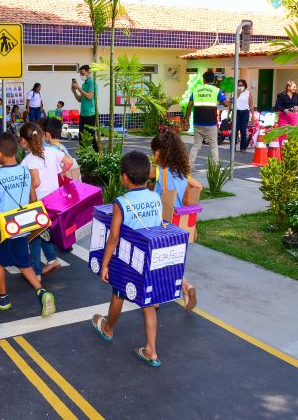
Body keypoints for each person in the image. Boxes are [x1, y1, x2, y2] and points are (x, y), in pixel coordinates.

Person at [91, 150, 163, 367]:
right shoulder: (155, 196)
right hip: (149, 258)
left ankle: (108, 328)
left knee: (118, 295)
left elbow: (113, 237)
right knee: (147, 305)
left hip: (128, 261)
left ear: (125, 177)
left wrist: (104, 264)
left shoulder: (121, 202)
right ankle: (151, 350)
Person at [0, 132, 56, 317]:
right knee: (24, 264)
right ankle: (42, 292)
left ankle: (3, 298)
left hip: (5, 229)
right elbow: (33, 199)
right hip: (21, 226)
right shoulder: (24, 171)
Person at [149, 131, 201, 311]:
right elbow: (198, 186)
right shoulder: (182, 173)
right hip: (179, 224)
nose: (153, 156)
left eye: (154, 152)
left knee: (156, 259)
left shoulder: (159, 171)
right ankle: (187, 289)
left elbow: (140, 177)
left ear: (161, 152)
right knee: (172, 259)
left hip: (162, 223)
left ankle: (155, 298)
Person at [19, 123, 71, 279]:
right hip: (54, 200)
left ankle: (36, 272)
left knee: (34, 236)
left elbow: (36, 183)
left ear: (23, 141)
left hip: (38, 202)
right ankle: (52, 259)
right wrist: (62, 172)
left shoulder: (29, 160)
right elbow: (68, 162)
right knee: (43, 232)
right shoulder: (52, 151)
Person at [184, 71, 228, 167]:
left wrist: (186, 120)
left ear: (203, 80)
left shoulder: (196, 90)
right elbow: (226, 104)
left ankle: (189, 166)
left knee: (196, 145)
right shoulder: (216, 90)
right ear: (213, 80)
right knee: (213, 145)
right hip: (210, 123)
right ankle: (215, 167)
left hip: (198, 123)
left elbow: (189, 105)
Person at [71, 65, 97, 151]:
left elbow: (89, 97)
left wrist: (78, 88)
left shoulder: (92, 83)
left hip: (90, 114)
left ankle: (98, 155)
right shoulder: (84, 84)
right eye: (80, 74)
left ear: (88, 72)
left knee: (91, 137)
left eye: (83, 73)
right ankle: (83, 156)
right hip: (82, 114)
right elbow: (79, 99)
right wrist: (74, 91)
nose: (81, 76)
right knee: (81, 137)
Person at [235, 79, 252, 152]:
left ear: (245, 86)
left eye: (242, 85)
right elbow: (232, 103)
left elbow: (251, 105)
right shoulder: (235, 92)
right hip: (237, 112)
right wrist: (238, 94)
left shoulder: (248, 93)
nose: (240, 87)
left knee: (243, 130)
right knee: (236, 129)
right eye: (239, 85)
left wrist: (253, 115)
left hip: (245, 112)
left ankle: (243, 147)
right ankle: (233, 146)